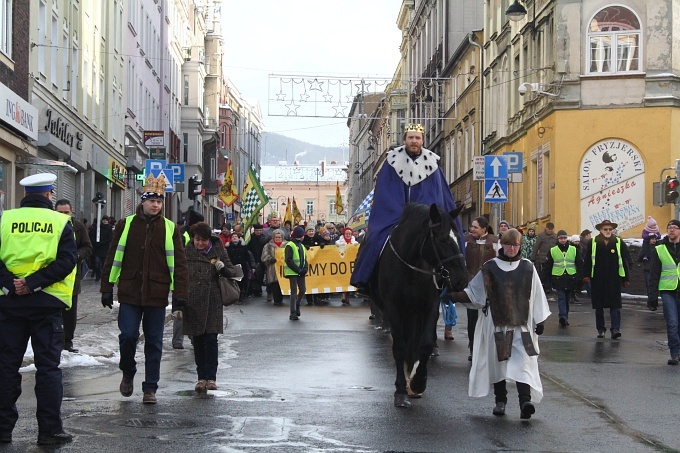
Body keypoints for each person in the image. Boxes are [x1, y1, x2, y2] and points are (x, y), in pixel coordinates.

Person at [0, 173, 78, 445]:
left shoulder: (5, 219)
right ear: (48, 195)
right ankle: (49, 431)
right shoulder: (60, 221)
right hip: (46, 304)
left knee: (7, 366)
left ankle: (2, 429)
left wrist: (13, 284)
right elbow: (68, 260)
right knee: (48, 368)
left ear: (25, 195)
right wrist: (33, 284)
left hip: (10, 304)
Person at [100, 174, 189, 404]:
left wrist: (180, 295)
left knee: (154, 342)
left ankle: (150, 387)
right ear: (143, 201)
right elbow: (112, 256)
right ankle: (128, 371)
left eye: (159, 202)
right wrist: (106, 287)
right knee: (128, 336)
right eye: (152, 201)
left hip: (157, 294)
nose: (155, 205)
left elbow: (179, 264)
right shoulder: (126, 224)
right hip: (129, 291)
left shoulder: (170, 228)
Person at [350, 123, 463, 293]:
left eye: (417, 138)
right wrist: (403, 215)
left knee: (454, 237)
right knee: (374, 239)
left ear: (422, 141)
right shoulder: (391, 162)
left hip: (427, 219)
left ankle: (454, 279)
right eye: (410, 137)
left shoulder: (433, 165)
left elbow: (439, 195)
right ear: (405, 140)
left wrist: (430, 215)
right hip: (396, 217)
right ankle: (366, 279)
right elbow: (385, 193)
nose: (414, 141)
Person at [451, 229, 550, 420]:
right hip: (496, 325)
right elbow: (475, 293)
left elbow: (537, 295)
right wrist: (452, 296)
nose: (512, 248)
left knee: (523, 363)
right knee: (499, 364)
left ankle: (525, 402)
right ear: (502, 245)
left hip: (522, 326)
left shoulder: (528, 267)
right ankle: (500, 401)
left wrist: (540, 320)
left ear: (520, 246)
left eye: (515, 245)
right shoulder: (489, 267)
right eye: (508, 244)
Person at [184, 222, 238, 391]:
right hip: (192, 301)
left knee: (211, 340)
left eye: (204, 240)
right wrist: (179, 301)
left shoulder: (218, 250)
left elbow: (233, 272)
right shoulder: (187, 251)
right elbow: (180, 275)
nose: (200, 243)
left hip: (213, 300)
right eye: (197, 240)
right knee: (198, 341)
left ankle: (211, 378)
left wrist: (223, 269)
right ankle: (201, 378)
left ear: (209, 239)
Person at [55, 199, 93, 353]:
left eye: (66, 212)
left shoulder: (78, 227)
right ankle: (54, 341)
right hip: (52, 276)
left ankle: (67, 342)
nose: (63, 215)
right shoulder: (50, 226)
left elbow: (88, 247)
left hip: (72, 278)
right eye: (60, 212)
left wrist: (76, 255)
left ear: (71, 212)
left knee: (70, 313)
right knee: (53, 311)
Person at [582, 220, 630, 339]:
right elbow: (588, 260)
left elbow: (625, 259)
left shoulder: (618, 241)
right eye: (605, 229)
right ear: (600, 230)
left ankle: (615, 329)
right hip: (598, 278)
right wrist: (586, 275)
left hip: (614, 278)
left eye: (610, 229)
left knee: (615, 305)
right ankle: (601, 329)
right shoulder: (593, 242)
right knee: (599, 306)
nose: (608, 231)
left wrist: (625, 278)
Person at [463, 216, 500, 359]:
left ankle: (488, 348)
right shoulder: (466, 241)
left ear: (484, 229)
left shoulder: (496, 242)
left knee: (489, 318)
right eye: (471, 226)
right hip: (471, 284)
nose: (472, 229)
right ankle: (473, 347)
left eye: (475, 227)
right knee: (472, 318)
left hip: (490, 285)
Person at [648, 219, 680, 365]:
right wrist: (652, 296)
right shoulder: (660, 249)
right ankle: (674, 353)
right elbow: (654, 274)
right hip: (668, 290)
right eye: (669, 228)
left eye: (675, 228)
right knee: (672, 322)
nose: (672, 230)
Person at [173, 208, 204, 350]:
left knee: (192, 309)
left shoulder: (195, 235)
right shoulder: (183, 235)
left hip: (195, 275)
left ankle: (192, 337)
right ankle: (178, 340)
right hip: (183, 276)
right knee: (179, 310)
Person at [546, 230, 582, 327]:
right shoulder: (553, 250)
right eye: (561, 238)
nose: (563, 240)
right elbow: (548, 265)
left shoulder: (574, 249)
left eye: (564, 238)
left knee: (567, 298)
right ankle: (562, 316)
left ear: (567, 239)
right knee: (561, 297)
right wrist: (547, 279)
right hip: (558, 277)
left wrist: (579, 276)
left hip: (571, 277)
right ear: (558, 239)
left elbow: (579, 263)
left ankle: (564, 316)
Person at [284, 226, 308, 320]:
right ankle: (292, 312)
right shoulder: (290, 245)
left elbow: (305, 259)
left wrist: (305, 269)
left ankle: (297, 304)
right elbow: (288, 260)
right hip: (292, 272)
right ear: (300, 236)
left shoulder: (302, 246)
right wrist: (298, 269)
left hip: (300, 271)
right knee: (293, 292)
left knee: (303, 290)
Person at [640, 216, 661, 310]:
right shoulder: (645, 246)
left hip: (655, 269)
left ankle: (653, 302)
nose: (654, 240)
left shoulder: (658, 247)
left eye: (654, 239)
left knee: (655, 286)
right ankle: (651, 303)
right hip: (648, 268)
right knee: (649, 286)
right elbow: (641, 255)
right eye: (652, 239)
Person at [261, 229, 287, 305]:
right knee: (275, 286)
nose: (278, 238)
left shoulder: (287, 245)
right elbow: (264, 256)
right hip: (273, 269)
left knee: (282, 286)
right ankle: (277, 301)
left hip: (284, 270)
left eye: (279, 237)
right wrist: (270, 259)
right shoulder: (268, 246)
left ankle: (281, 300)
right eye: (276, 237)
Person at [530, 222, 557, 293]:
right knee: (545, 274)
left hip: (553, 258)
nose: (550, 231)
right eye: (549, 229)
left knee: (552, 273)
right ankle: (547, 287)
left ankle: (551, 287)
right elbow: (536, 247)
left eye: (551, 229)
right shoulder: (541, 236)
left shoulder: (555, 236)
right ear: (546, 228)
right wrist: (533, 258)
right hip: (543, 258)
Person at [225, 232, 251, 301]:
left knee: (243, 281)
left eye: (236, 236)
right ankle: (235, 295)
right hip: (232, 266)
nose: (234, 238)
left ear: (238, 238)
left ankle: (243, 294)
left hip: (242, 266)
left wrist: (251, 266)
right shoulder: (228, 247)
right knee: (234, 281)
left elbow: (248, 257)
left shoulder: (243, 246)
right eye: (233, 237)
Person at [336, 227, 358, 305]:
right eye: (347, 233)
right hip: (342, 263)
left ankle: (347, 296)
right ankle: (343, 295)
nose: (348, 235)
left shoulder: (355, 243)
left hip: (351, 265)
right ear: (344, 234)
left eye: (349, 234)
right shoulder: (338, 242)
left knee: (349, 280)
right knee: (343, 280)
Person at [90, 216, 113, 282]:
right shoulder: (97, 228)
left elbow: (110, 238)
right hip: (97, 249)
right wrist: (95, 242)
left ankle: (103, 276)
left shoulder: (109, 229)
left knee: (104, 264)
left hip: (105, 249)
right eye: (104, 220)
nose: (105, 221)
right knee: (97, 263)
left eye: (106, 220)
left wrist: (102, 242)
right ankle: (98, 275)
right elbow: (92, 235)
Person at [247, 223, 266, 297]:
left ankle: (258, 289)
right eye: (257, 230)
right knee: (254, 275)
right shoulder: (250, 238)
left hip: (261, 259)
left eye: (260, 230)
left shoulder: (263, 238)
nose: (259, 232)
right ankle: (255, 289)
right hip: (253, 258)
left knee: (260, 275)